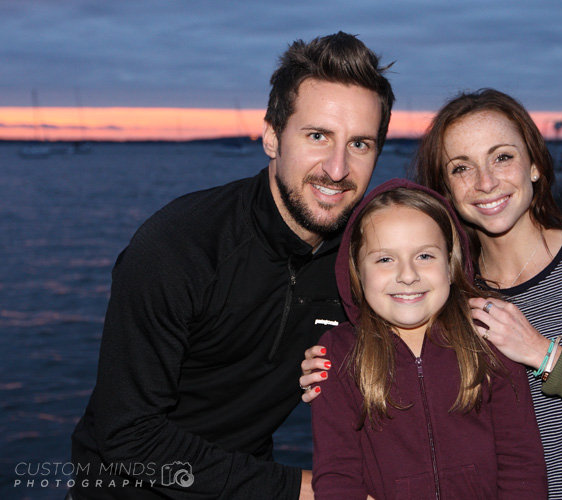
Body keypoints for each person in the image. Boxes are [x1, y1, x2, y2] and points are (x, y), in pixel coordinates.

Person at [301, 89, 562, 500]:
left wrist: (547, 357)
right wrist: (333, 367)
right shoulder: (442, 294)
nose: (486, 182)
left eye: (502, 157)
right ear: (445, 191)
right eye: (461, 168)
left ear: (536, 165)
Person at [69, 32, 394, 500]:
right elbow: (128, 435)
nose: (338, 168)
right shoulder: (179, 247)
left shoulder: (362, 259)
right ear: (271, 136)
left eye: (360, 144)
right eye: (318, 136)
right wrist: (302, 489)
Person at [310, 179, 547, 499]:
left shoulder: (488, 338)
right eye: (384, 259)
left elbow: (521, 463)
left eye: (424, 256)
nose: (407, 275)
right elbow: (337, 476)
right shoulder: (338, 355)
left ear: (451, 266)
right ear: (357, 271)